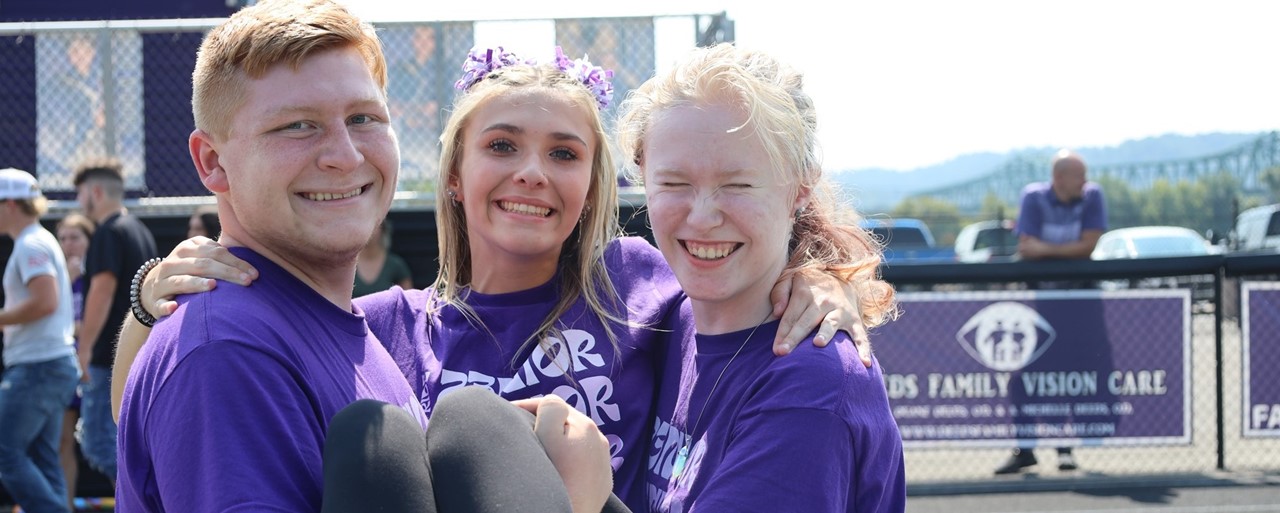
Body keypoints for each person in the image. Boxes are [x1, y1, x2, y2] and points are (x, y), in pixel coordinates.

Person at [117, 43, 870, 512]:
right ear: (453, 173)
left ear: (595, 183)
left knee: (474, 425)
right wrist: (151, 299)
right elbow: (141, 419)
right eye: (503, 145)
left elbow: (736, 284)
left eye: (566, 154)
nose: (533, 174)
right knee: (380, 445)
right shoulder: (380, 328)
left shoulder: (638, 285)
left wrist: (818, 277)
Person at [114, 2, 614, 511]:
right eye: (297, 126)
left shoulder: (344, 332)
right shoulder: (229, 351)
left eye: (363, 118)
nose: (346, 154)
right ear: (212, 162)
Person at [617, 43, 906, 512]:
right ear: (643, 178)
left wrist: (581, 494)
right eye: (673, 183)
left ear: (800, 189)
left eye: (737, 184)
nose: (703, 215)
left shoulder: (810, 390)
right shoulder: (672, 319)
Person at [998, 149, 1108, 474]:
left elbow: (1088, 245)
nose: (1086, 182)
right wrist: (1065, 253)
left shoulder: (1092, 195)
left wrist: (1046, 250)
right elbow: (1026, 248)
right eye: (1079, 175)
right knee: (1025, 381)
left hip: (1083, 308)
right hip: (1042, 308)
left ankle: (1065, 450)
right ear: (1059, 178)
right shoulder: (1033, 196)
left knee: (1073, 377)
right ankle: (1026, 450)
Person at [71, 158, 158, 485]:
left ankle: (147, 499)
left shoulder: (108, 233)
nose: (79, 202)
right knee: (128, 443)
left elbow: (101, 292)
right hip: (137, 354)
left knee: (99, 445)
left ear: (95, 191)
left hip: (109, 359)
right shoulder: (138, 230)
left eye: (80, 193)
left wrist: (85, 348)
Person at [0, 168, 81, 513]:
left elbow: (44, 301)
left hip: (38, 366)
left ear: (11, 204)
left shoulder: (31, 243)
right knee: (41, 457)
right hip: (48, 365)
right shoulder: (37, 240)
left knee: (6, 452)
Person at [54, 212, 95, 510]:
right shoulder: (53, 276)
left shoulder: (98, 275)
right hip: (61, 368)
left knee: (102, 441)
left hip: (94, 367)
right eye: (63, 238)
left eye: (75, 238)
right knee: (62, 442)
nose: (69, 245)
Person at [353, 216, 413, 297]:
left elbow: (408, 299)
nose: (368, 230)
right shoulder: (346, 264)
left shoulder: (395, 264)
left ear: (383, 230)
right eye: (363, 225)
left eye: (375, 226)